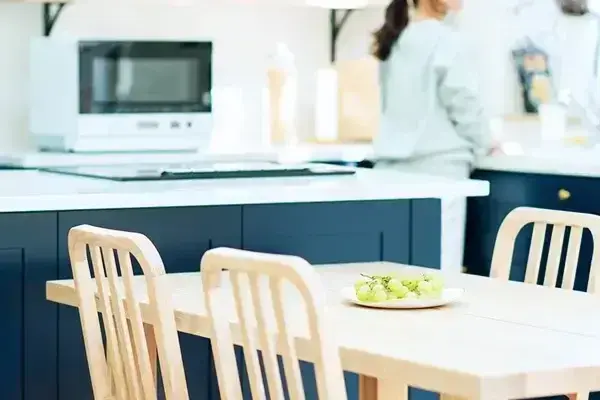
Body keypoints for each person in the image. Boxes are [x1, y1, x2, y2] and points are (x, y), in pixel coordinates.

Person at [372, 0, 493, 272]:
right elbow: (464, 103)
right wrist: (488, 143)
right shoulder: (448, 40)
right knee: (439, 273)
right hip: (440, 171)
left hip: (391, 173)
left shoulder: (395, 39)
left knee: (394, 275)